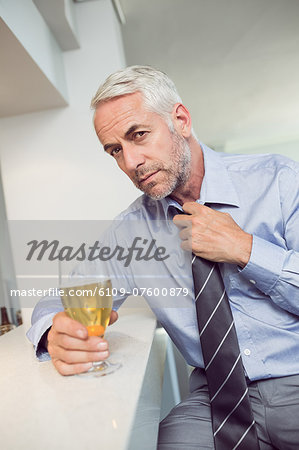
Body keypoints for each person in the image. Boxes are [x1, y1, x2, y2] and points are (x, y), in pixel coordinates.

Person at [27, 66, 299, 449]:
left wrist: (245, 249)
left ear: (181, 120)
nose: (130, 162)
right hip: (213, 400)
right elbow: (63, 297)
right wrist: (54, 332)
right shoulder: (131, 231)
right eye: (115, 150)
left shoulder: (279, 180)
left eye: (138, 135)